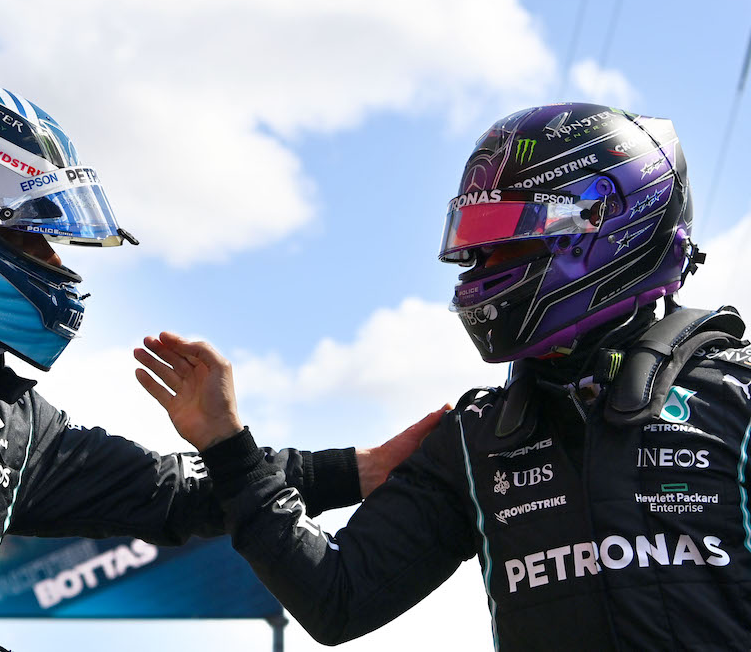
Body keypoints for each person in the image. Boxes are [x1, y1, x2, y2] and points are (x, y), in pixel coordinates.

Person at [0, 68, 421, 651]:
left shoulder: (10, 422)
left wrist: (357, 470)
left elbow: (172, 493)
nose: (57, 265)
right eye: (30, 235)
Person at [135, 103, 751, 650]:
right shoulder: (476, 439)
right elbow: (336, 599)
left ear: (600, 229)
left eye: (504, 239)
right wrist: (228, 448)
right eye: (472, 246)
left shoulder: (738, 400)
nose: (478, 267)